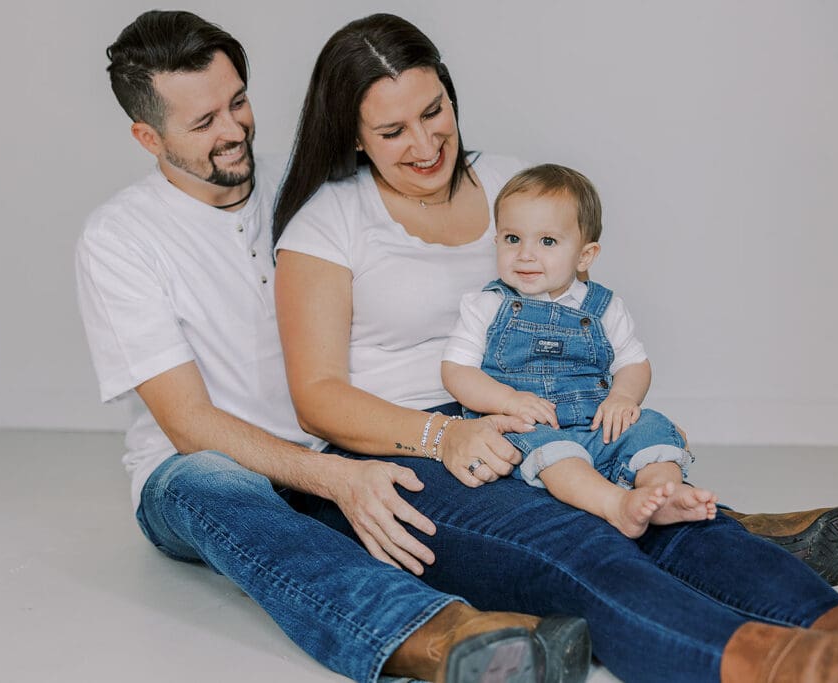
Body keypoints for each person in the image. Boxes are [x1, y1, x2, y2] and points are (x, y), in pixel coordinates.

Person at [272, 13, 838, 682]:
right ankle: (787, 666)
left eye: (434, 112)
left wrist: (621, 407)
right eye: (393, 132)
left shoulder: (514, 185)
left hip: (547, 418)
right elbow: (318, 398)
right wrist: (442, 435)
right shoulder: (330, 221)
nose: (426, 144)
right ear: (355, 137)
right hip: (411, 444)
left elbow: (576, 318)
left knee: (669, 512)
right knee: (580, 540)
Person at [75, 10, 594, 683]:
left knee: (519, 469)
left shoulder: (312, 183)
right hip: (213, 470)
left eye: (238, 102)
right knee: (209, 481)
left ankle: (702, 533)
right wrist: (337, 478)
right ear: (148, 136)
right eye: (203, 123)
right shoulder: (119, 239)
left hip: (344, 447)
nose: (233, 130)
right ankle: (444, 638)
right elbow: (187, 424)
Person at [441, 163, 717, 538]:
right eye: (512, 239)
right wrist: (508, 400)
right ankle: (614, 505)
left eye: (547, 242)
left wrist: (622, 398)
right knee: (557, 456)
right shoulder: (486, 306)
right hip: (532, 426)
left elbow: (634, 363)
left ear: (585, 256)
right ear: (496, 242)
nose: (525, 255)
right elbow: (457, 371)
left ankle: (662, 493)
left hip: (597, 420)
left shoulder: (603, 307)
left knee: (651, 427)